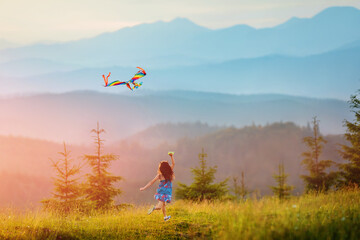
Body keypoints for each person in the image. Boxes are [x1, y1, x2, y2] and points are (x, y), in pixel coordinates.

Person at [140, 152, 175, 221]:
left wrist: (144, 188)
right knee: (159, 207)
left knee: (163, 205)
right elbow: (173, 164)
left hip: (161, 191)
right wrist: (171, 156)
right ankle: (153, 208)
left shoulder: (159, 175)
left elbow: (151, 182)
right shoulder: (169, 172)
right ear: (167, 166)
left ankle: (165, 217)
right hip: (165, 193)